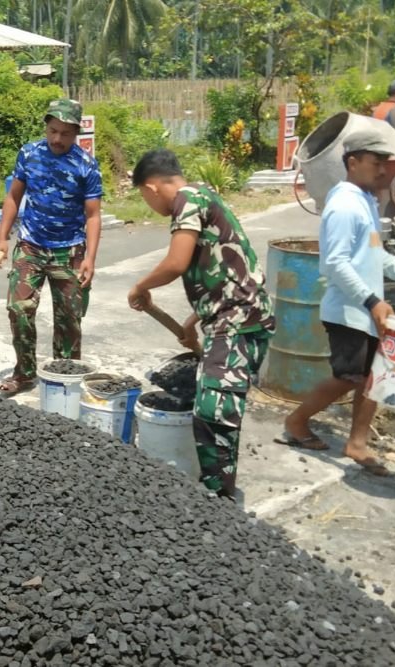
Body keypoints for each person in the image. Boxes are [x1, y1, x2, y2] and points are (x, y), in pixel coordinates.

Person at [281, 128, 395, 474]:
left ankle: (357, 444)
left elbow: (374, 254)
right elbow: (334, 263)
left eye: (386, 162)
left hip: (366, 310)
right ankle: (296, 422)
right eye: (376, 162)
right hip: (348, 312)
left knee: (372, 378)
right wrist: (372, 302)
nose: (384, 170)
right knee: (348, 378)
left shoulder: (364, 201)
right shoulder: (342, 206)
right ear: (353, 162)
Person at [127, 149, 275, 500]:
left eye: (144, 198)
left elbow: (176, 262)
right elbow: (222, 270)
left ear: (151, 188)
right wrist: (193, 320)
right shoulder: (203, 195)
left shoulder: (186, 201)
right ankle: (215, 488)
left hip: (239, 318)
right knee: (213, 403)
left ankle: (219, 498)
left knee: (214, 408)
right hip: (232, 314)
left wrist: (141, 286)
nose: (149, 205)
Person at [0, 99, 103, 396]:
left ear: (76, 133)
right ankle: (25, 373)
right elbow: (14, 197)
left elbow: (93, 215)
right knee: (18, 308)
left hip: (70, 250)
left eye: (65, 133)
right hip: (31, 245)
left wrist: (90, 258)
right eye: (53, 130)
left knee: (69, 318)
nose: (57, 138)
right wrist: (3, 236)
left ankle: (64, 378)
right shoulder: (29, 154)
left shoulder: (86, 164)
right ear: (46, 127)